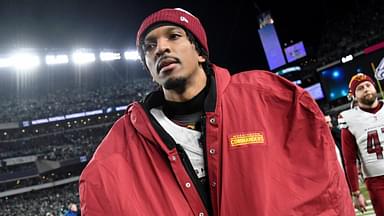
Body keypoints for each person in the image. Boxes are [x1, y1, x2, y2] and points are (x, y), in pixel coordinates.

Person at [79, 8, 354, 215]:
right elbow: (100, 190)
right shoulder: (122, 144)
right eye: (149, 46)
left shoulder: (270, 100)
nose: (160, 48)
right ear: (150, 70)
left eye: (174, 36)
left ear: (200, 53)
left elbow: (324, 190)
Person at [339, 73, 384, 215]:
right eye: (360, 88)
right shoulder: (349, 118)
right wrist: (356, 192)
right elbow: (350, 160)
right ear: (353, 95)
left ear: (374, 87)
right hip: (376, 181)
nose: (366, 89)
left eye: (368, 85)